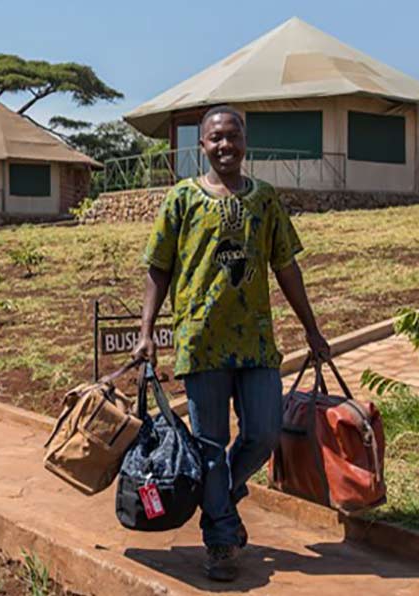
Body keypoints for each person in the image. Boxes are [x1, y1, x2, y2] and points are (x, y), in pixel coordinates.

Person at [132, 105, 330, 582]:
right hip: (201, 343)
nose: (225, 145)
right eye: (215, 138)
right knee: (211, 445)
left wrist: (312, 327)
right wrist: (146, 333)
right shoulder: (182, 199)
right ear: (201, 146)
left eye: (232, 136)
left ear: (245, 142)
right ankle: (221, 540)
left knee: (263, 433)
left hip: (257, 342)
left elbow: (286, 266)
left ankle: (215, 496)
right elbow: (158, 267)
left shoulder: (264, 199)